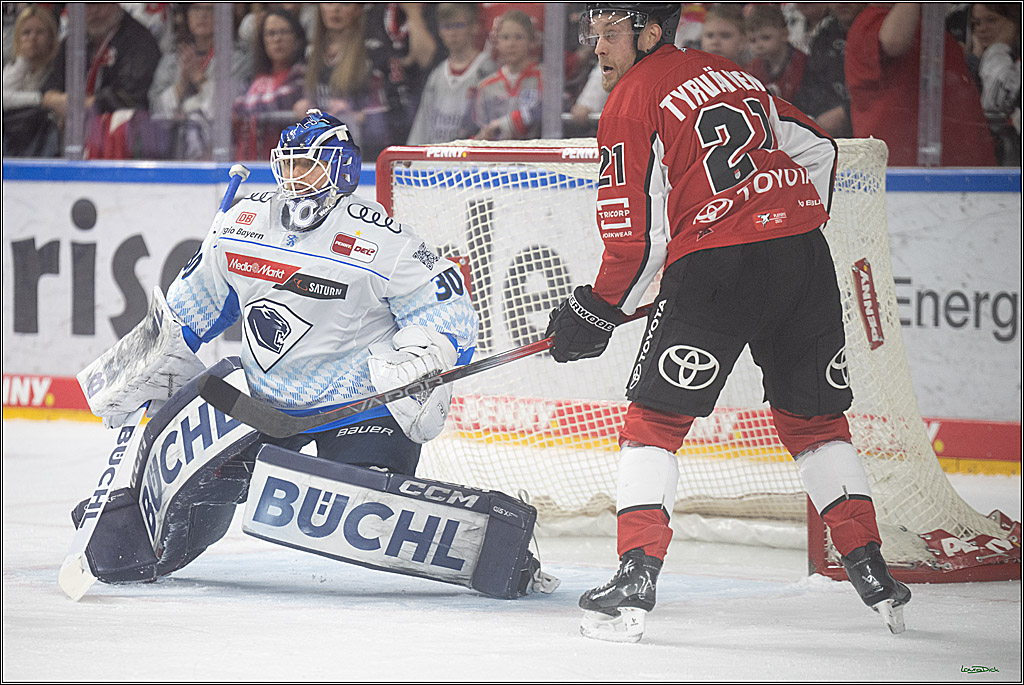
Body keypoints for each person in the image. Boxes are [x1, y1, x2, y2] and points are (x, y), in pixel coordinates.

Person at [549, 3, 912, 643]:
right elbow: (819, 148)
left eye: (611, 34)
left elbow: (636, 240)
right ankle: (870, 565)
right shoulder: (732, 74)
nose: (598, 48)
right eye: (592, 34)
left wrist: (596, 308)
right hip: (802, 255)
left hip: (718, 267)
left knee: (655, 423)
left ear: (650, 33)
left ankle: (635, 575)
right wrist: (786, 222)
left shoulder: (630, 102)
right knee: (816, 422)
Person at [845, 3, 997, 166]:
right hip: (908, 175)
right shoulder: (870, 23)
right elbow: (894, 40)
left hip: (957, 170)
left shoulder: (930, 28)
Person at [40, 3, 162, 159]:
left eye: (100, 4)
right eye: (88, 6)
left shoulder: (139, 40)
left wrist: (81, 105)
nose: (94, 11)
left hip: (123, 141)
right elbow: (49, 88)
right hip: (74, 135)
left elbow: (131, 96)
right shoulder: (74, 40)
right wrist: (56, 100)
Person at [149, 3, 252, 159]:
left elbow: (230, 107)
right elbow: (156, 110)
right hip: (174, 154)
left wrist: (198, 78)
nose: (202, 15)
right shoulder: (172, 56)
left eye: (209, 9)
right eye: (196, 8)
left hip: (222, 152)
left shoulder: (240, 56)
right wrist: (182, 83)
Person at [293, 3, 389, 159]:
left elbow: (386, 117)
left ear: (359, 9)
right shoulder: (309, 54)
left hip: (362, 157)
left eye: (344, 3)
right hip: (319, 157)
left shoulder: (373, 53)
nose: (335, 9)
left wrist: (352, 116)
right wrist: (303, 107)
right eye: (329, 3)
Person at [407, 2, 494, 144]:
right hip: (436, 160)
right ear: (440, 31)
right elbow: (423, 123)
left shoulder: (486, 70)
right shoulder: (437, 74)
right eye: (447, 26)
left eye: (459, 25)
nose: (452, 33)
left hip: (470, 159)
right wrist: (411, 156)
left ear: (474, 27)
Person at [233, 8, 307, 161]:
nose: (277, 39)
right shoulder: (254, 78)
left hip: (285, 167)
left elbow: (275, 102)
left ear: (297, 38)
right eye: (271, 33)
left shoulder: (302, 74)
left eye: (284, 32)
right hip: (247, 165)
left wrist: (240, 107)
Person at [791, 3, 865, 138]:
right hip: (826, 136)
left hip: (869, 131)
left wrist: (846, 113)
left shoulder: (875, 30)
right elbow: (810, 86)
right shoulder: (825, 34)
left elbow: (882, 91)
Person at [473, 9, 542, 141]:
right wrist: (482, 136)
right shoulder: (486, 86)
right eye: (505, 37)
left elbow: (545, 112)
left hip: (534, 154)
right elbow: (476, 129)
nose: (511, 44)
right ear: (496, 42)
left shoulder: (545, 78)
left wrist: (505, 124)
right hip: (496, 158)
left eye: (518, 37)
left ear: (532, 41)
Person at [2, 4, 59, 157]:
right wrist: (41, 99)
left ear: (51, 37)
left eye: (39, 32)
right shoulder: (14, 67)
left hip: (43, 142)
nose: (32, 38)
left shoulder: (57, 69)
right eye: (26, 33)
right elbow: (4, 98)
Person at [969, 3, 1021, 166]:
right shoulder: (972, 62)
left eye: (991, 20)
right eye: (976, 23)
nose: (981, 29)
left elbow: (995, 104)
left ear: (1014, 22)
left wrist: (997, 49)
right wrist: (975, 58)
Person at [745, 3, 807, 103]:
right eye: (753, 40)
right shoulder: (753, 67)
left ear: (784, 34)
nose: (759, 45)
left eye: (766, 38)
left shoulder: (802, 63)